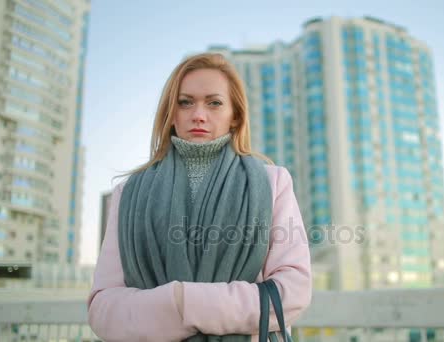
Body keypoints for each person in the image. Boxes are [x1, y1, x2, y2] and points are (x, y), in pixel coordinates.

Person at [87, 53, 312, 342]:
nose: (198, 115)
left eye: (214, 103)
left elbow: (292, 291)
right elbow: (104, 308)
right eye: (185, 102)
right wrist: (179, 302)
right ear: (171, 113)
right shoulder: (127, 193)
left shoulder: (273, 183)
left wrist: (184, 301)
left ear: (235, 116)